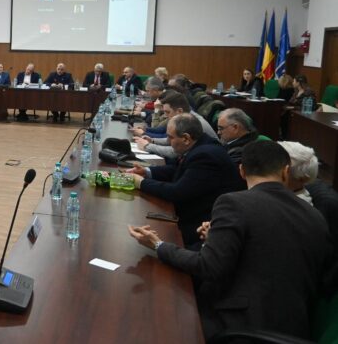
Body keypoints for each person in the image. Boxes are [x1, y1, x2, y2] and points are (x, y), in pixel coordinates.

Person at [128, 141, 330, 341]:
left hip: (240, 326)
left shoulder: (234, 203)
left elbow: (208, 267)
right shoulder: (315, 215)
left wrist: (158, 245)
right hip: (293, 327)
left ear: (242, 171)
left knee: (154, 308)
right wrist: (217, 239)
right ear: (286, 172)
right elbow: (274, 254)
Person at [128, 113, 246, 247]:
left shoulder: (205, 156)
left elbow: (177, 192)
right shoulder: (201, 145)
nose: (168, 141)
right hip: (193, 213)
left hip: (202, 227)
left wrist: (141, 183)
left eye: (170, 137)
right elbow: (178, 169)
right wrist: (147, 171)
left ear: (186, 138)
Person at [134, 91, 218, 159]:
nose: (165, 116)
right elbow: (170, 140)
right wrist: (152, 140)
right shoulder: (185, 118)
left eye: (168, 112)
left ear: (179, 111)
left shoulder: (193, 122)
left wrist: (147, 146)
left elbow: (175, 152)